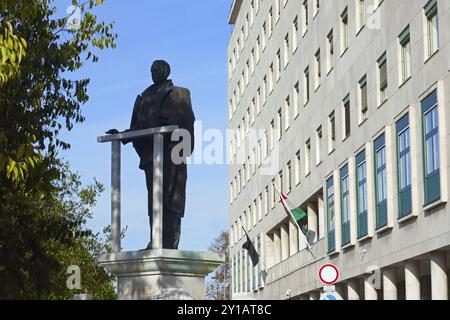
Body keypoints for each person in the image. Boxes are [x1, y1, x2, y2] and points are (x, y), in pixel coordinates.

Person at [107, 60, 195, 250]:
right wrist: (121, 135)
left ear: (166, 71)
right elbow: (138, 127)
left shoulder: (179, 93)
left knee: (171, 198)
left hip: (173, 154)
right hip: (151, 156)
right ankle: (155, 239)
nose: (153, 73)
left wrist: (177, 131)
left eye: (157, 69)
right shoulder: (145, 96)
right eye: (152, 70)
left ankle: (170, 242)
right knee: (154, 199)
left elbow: (188, 123)